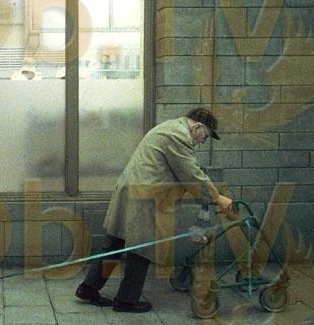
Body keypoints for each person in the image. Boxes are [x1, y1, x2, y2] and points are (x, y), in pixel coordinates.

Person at [75, 107, 233, 313]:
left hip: (131, 190)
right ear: (197, 127)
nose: (203, 141)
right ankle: (126, 300)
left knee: (114, 243)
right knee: (142, 248)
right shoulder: (178, 136)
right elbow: (190, 173)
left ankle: (88, 288)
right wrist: (217, 197)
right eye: (206, 136)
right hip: (143, 196)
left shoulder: (169, 127)